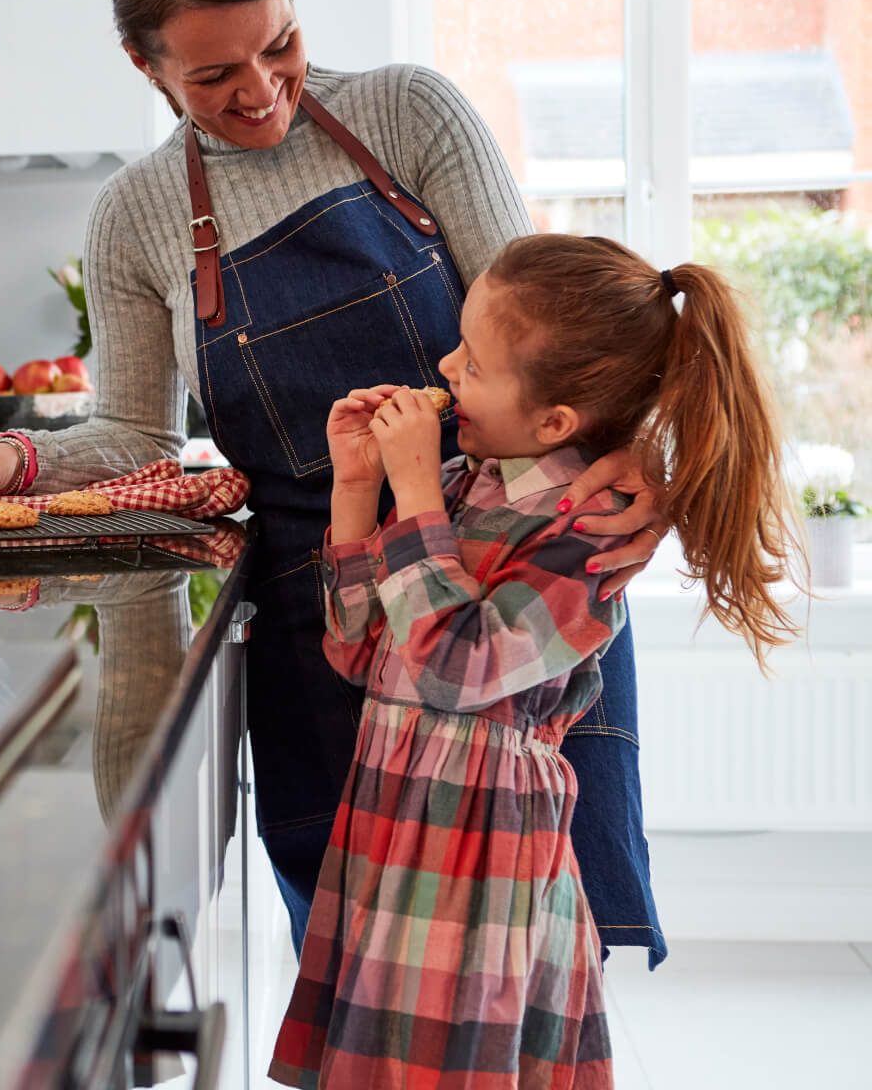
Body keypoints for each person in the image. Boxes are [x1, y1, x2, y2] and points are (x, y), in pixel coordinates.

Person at [0, 0, 672, 966]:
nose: (261, 91)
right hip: (335, 622)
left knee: (528, 969)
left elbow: (553, 335)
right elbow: (135, 433)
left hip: (516, 594)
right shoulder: (135, 216)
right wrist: (17, 458)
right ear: (147, 66)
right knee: (366, 984)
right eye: (213, 75)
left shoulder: (412, 115)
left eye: (281, 46)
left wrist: (645, 447)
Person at [269, 234, 799, 1088]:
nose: (445, 367)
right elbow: (360, 651)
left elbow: (454, 671)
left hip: (478, 847)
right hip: (397, 824)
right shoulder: (461, 484)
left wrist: (408, 496)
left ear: (555, 423)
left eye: (473, 362)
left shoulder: (583, 536)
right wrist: (358, 489)